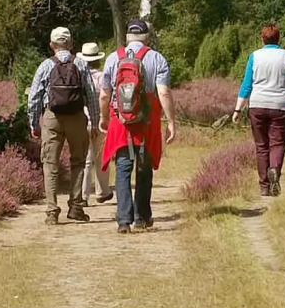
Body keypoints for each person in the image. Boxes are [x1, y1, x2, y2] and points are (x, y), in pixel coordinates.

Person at [99, 21, 176, 234]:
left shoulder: (114, 58)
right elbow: (163, 92)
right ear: (147, 37)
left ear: (127, 37)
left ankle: (124, 220)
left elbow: (105, 94)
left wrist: (104, 118)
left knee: (123, 168)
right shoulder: (157, 58)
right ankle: (142, 217)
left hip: (121, 119)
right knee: (144, 167)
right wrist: (171, 121)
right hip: (147, 120)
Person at [28, 26, 92, 225]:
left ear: (51, 45)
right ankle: (76, 207)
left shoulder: (45, 65)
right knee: (79, 161)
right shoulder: (81, 64)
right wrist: (96, 121)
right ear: (72, 44)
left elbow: (34, 97)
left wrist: (34, 123)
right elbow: (91, 95)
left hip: (52, 117)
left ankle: (51, 212)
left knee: (50, 164)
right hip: (76, 117)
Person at [231, 24, 285, 197]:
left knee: (261, 146)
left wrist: (237, 109)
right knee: (277, 143)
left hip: (258, 105)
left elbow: (247, 85)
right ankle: (275, 169)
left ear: (262, 39)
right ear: (278, 39)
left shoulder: (255, 56)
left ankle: (264, 187)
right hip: (280, 106)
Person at [76, 41, 115, 205]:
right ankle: (102, 191)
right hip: (101, 120)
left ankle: (83, 196)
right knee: (101, 157)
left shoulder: (78, 76)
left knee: (85, 159)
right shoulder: (102, 77)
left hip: (82, 120)